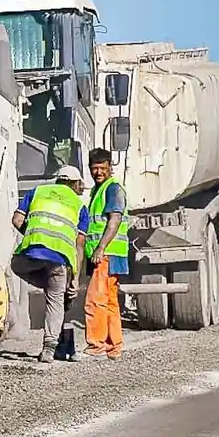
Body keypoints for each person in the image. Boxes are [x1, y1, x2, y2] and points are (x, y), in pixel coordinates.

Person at [10, 165, 90, 364]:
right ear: (75, 183)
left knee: (15, 265)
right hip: (59, 259)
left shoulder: (38, 191)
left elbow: (17, 219)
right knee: (56, 299)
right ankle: (49, 349)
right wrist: (75, 279)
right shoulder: (80, 207)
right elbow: (78, 247)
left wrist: (33, 234)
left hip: (30, 254)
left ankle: (53, 287)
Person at [83, 147, 130, 359]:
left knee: (95, 299)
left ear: (111, 167)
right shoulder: (98, 191)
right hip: (111, 254)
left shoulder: (113, 189)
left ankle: (96, 344)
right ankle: (114, 346)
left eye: (102, 168)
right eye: (94, 168)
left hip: (107, 254)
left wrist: (100, 248)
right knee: (110, 301)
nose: (98, 172)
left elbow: (115, 220)